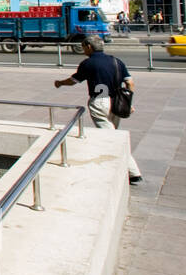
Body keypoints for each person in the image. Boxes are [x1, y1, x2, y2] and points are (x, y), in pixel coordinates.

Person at [54, 36, 142, 185]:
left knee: (112, 138)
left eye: (83, 47)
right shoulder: (116, 61)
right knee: (113, 132)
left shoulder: (88, 63)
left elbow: (73, 81)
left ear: (89, 46)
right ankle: (121, 167)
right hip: (117, 102)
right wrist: (128, 102)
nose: (83, 50)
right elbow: (130, 83)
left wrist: (60, 83)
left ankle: (133, 173)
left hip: (100, 102)